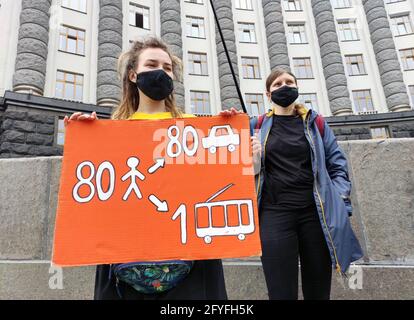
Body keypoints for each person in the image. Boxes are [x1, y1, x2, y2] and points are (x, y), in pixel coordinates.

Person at [64, 37, 230, 300]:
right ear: (133, 75)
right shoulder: (113, 131)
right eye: (151, 64)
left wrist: (234, 141)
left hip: (189, 264)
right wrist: (83, 140)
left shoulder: (194, 129)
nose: (160, 72)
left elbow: (222, 186)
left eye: (167, 68)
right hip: (126, 266)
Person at [249, 68, 363, 300]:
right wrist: (253, 160)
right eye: (278, 84)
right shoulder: (256, 126)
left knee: (318, 290)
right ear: (268, 95)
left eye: (289, 82)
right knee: (280, 292)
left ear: (297, 88)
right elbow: (240, 170)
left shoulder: (315, 122)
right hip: (274, 215)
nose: (284, 86)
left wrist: (340, 200)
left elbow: (337, 163)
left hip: (316, 216)